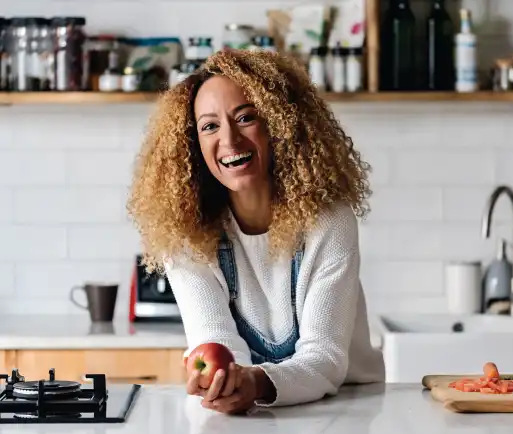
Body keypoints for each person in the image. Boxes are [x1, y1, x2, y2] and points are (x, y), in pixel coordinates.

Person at [127, 49, 385, 415]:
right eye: (210, 126)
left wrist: (255, 383)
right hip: (252, 414)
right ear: (193, 145)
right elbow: (214, 340)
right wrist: (225, 381)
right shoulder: (185, 231)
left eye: (246, 117)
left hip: (348, 408)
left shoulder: (329, 218)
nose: (229, 140)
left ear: (279, 125)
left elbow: (325, 356)